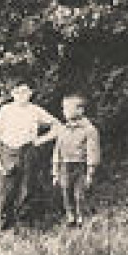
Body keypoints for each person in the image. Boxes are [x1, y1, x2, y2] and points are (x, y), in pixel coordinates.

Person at [0, 82, 60, 231]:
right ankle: (5, 226)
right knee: (6, 191)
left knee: (27, 188)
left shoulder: (35, 110)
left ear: (30, 93)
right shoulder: (5, 110)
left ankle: (24, 224)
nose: (22, 95)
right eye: (18, 92)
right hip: (8, 152)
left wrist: (41, 140)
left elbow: (58, 126)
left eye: (25, 92)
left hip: (28, 151)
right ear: (13, 94)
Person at [51, 93, 101, 227]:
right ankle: (70, 217)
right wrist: (55, 171)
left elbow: (92, 151)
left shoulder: (89, 130)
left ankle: (81, 218)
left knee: (80, 194)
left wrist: (90, 171)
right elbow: (57, 150)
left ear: (80, 110)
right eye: (63, 108)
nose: (64, 111)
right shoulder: (62, 129)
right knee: (66, 191)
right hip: (65, 166)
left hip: (81, 166)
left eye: (68, 108)